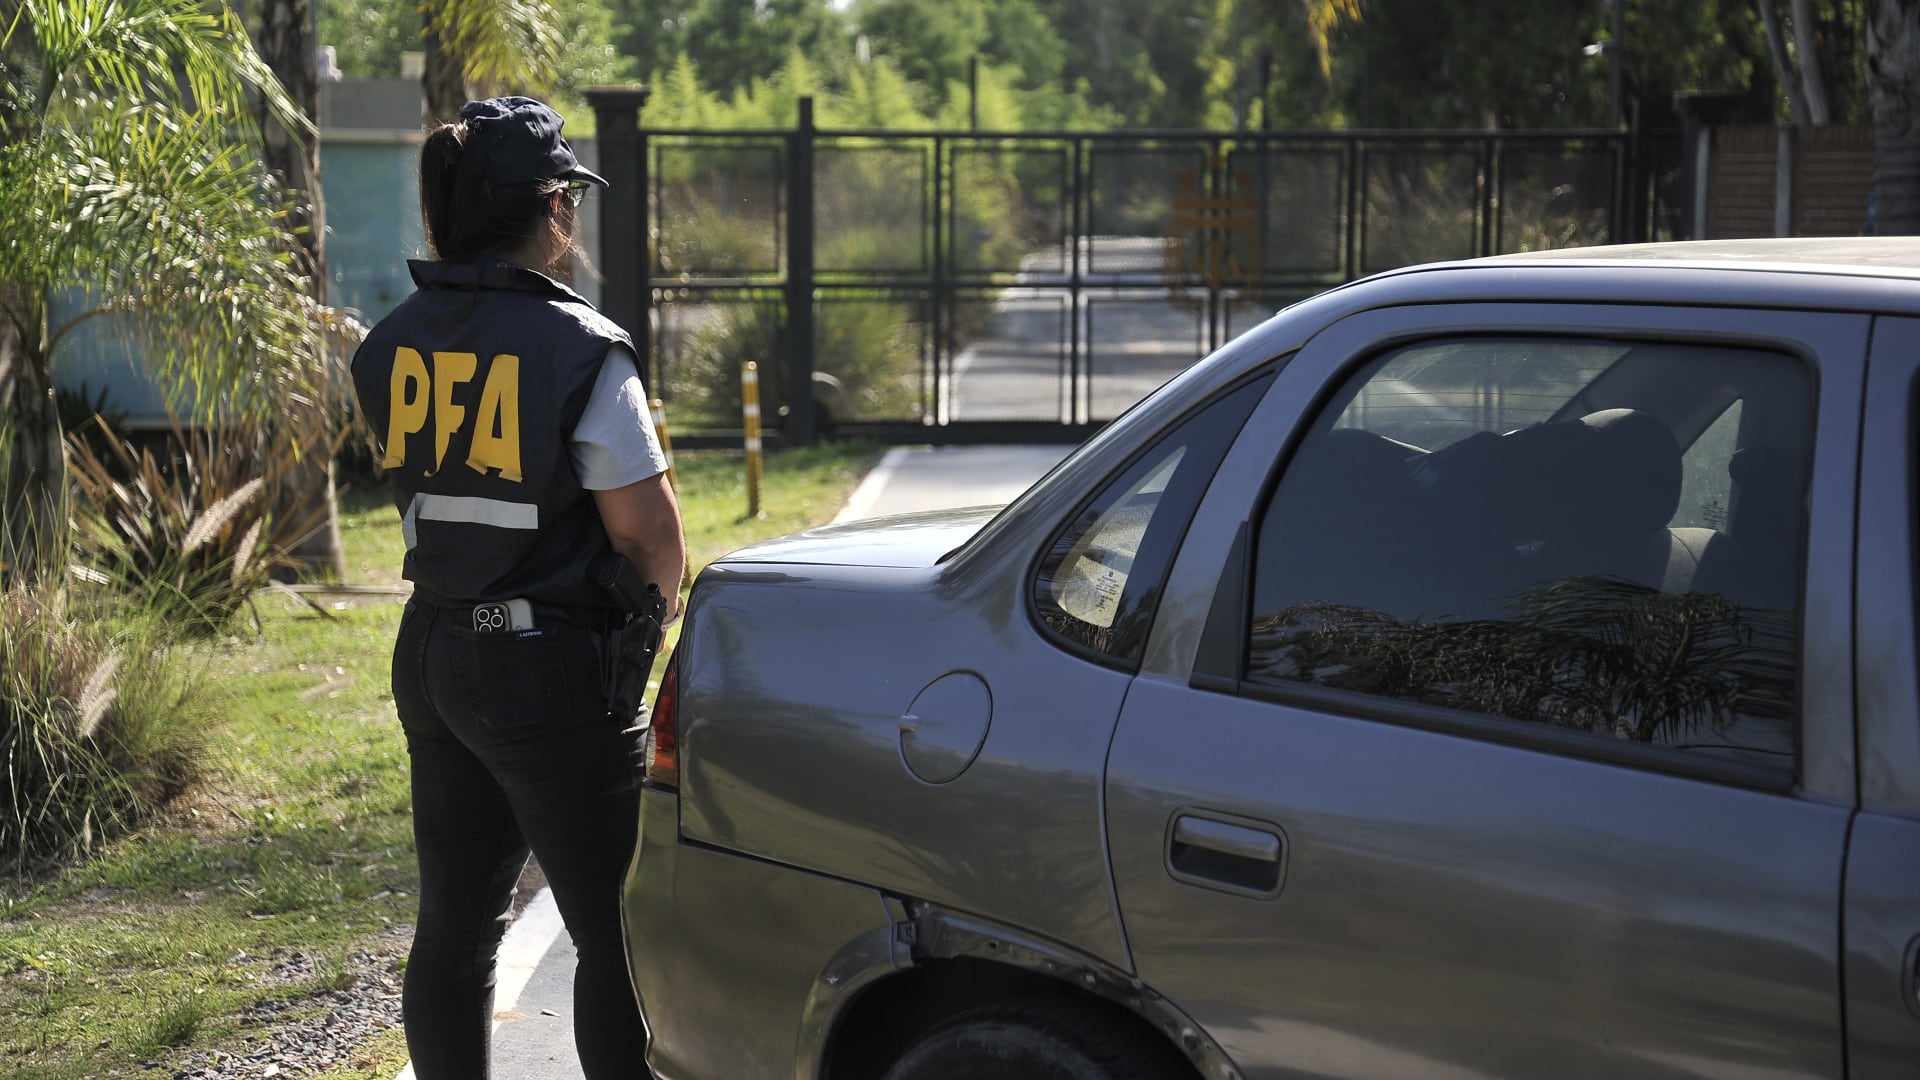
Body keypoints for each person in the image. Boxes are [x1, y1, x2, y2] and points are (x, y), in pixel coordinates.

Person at [348, 95, 682, 1080]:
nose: (571, 222)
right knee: (618, 936)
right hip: (550, 671)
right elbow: (653, 541)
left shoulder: (390, 344)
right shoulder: (581, 346)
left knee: (454, 931)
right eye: (566, 200)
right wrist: (639, 650)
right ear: (546, 207)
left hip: (435, 653)